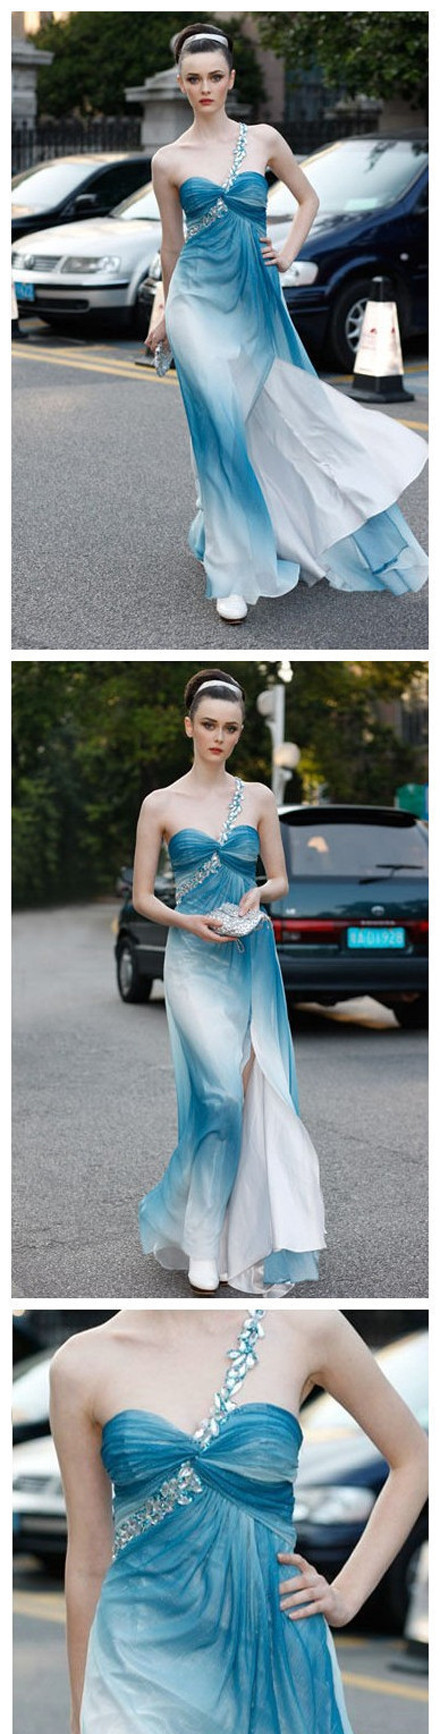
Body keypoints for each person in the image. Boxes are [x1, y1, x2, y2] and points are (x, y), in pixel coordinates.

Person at [43, 1304, 428, 1734]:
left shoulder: (308, 1328)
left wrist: (347, 1594)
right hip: (133, 1677)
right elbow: (87, 1561)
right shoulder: (82, 1361)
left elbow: (414, 1457)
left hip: (266, 1664)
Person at [146, 23, 428, 625]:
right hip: (195, 302)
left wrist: (290, 252)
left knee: (275, 418)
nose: (205, 88)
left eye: (215, 77)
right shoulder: (167, 160)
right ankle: (233, 571)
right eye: (193, 79)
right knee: (220, 429)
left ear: (231, 79)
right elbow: (171, 248)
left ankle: (251, 529)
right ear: (181, 84)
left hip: (254, 297)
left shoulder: (264, 139)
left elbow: (308, 200)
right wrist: (165, 314)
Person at [133, 667, 325, 1296]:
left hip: (249, 956)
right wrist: (185, 920)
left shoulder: (260, 797)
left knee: (244, 1096)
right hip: (192, 960)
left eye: (232, 728)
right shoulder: (160, 804)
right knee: (219, 1096)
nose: (220, 737)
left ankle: (219, 1230)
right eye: (210, 725)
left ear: (241, 733)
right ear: (188, 726)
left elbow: (280, 880)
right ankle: (200, 1238)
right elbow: (142, 898)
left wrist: (257, 895)